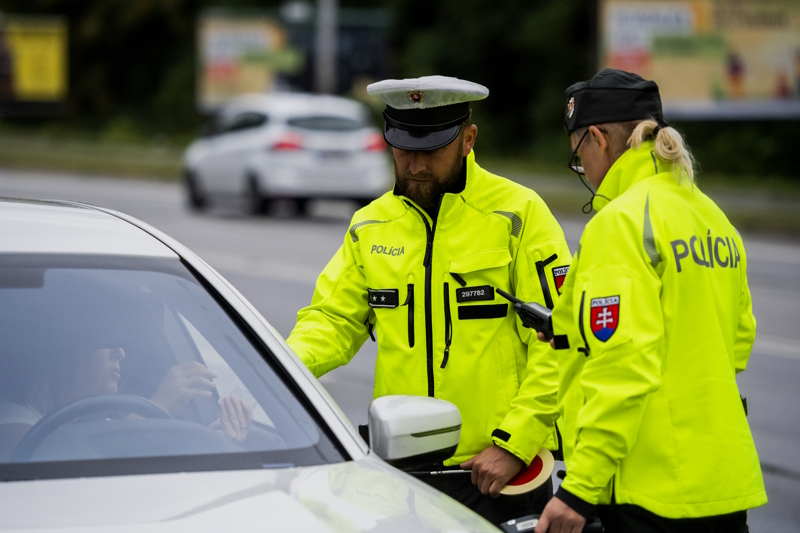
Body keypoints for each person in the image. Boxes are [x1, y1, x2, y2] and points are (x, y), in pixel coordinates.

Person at [287, 75, 572, 523]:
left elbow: (560, 340)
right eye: (403, 148)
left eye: (431, 149)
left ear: (468, 140)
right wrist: (272, 373)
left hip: (493, 474)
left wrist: (514, 442)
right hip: (395, 477)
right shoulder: (369, 225)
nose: (415, 164)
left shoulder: (519, 214)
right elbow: (330, 323)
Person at [534, 68, 767, 533]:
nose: (584, 172)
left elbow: (623, 365)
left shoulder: (620, 222)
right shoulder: (713, 217)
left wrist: (580, 490)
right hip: (721, 483)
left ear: (598, 139)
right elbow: (737, 342)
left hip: (650, 491)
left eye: (578, 157)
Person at [0, 346, 252, 460]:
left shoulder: (99, 423)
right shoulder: (12, 417)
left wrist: (206, 440)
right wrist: (160, 403)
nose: (120, 352)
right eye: (105, 341)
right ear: (66, 353)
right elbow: (50, 463)